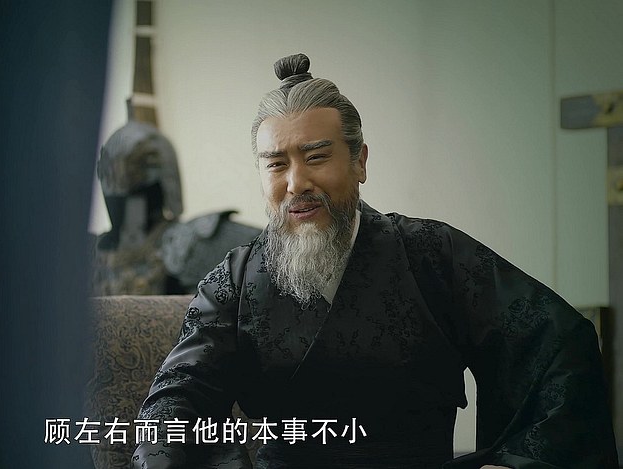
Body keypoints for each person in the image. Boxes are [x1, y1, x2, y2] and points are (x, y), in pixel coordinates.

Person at [130, 53, 618, 468]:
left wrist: (514, 464)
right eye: (276, 164)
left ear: (360, 161)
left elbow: (558, 346)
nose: (296, 183)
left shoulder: (432, 253)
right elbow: (179, 394)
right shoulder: (235, 280)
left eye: (316, 157)